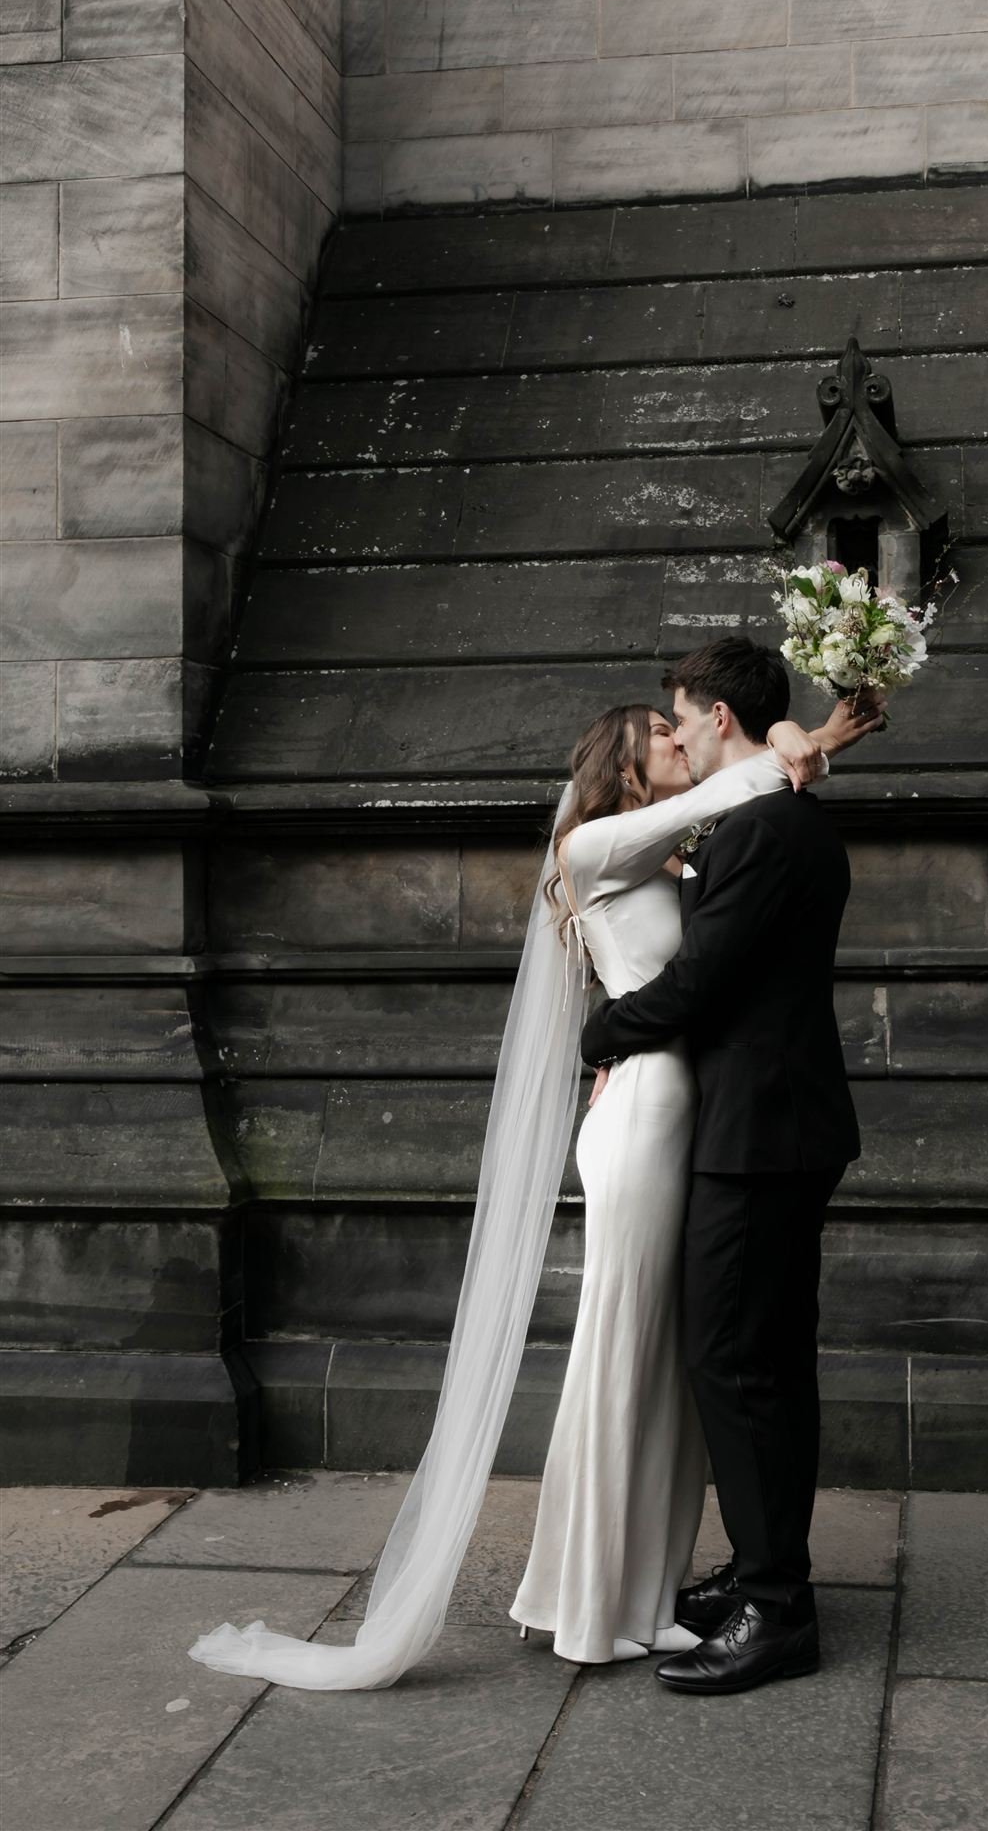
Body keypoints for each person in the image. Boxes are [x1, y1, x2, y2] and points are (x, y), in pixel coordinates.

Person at [187, 647, 871, 1693]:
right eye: (659, 732)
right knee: (636, 1348)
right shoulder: (593, 843)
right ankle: (596, 1593)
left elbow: (734, 833)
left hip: (706, 1115)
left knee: (676, 1357)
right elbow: (711, 879)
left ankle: (656, 1580)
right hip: (649, 1117)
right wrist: (804, 741)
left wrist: (797, 742)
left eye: (682, 720)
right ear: (626, 763)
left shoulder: (687, 845)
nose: (677, 737)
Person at [580, 636, 864, 1695]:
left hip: (760, 1136)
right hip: (770, 1126)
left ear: (722, 719)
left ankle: (777, 1610)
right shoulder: (770, 820)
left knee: (736, 1362)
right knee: (764, 1360)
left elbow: (697, 987)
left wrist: (599, 1035)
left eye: (687, 718)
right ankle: (758, 1573)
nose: (683, 735)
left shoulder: (764, 832)